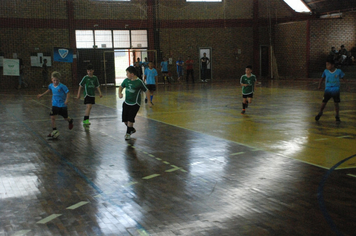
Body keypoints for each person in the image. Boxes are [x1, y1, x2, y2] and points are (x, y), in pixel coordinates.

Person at [37, 71, 74, 138]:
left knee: (65, 118)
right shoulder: (51, 85)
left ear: (59, 80)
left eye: (57, 80)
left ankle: (70, 120)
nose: (55, 82)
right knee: (52, 117)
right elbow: (48, 90)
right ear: (52, 79)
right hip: (55, 104)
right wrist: (42, 95)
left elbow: (68, 93)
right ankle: (54, 130)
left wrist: (67, 100)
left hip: (62, 105)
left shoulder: (62, 86)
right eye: (54, 80)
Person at [119, 66, 152, 140]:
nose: (126, 75)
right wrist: (119, 93)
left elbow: (147, 90)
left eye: (127, 73)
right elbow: (121, 87)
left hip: (135, 104)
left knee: (130, 119)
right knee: (125, 121)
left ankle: (128, 134)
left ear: (132, 74)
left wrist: (149, 101)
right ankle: (131, 129)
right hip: (126, 103)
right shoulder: (126, 80)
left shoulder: (139, 82)